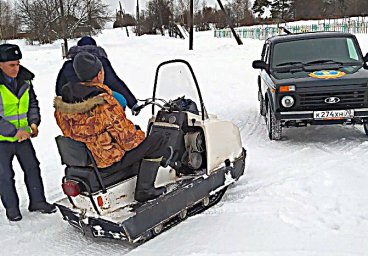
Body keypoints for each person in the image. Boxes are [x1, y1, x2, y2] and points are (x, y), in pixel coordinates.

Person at [54, 52, 171, 202]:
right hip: (107, 161)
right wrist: (141, 135)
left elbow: (86, 132)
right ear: (99, 74)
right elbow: (128, 141)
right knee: (157, 140)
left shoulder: (63, 106)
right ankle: (145, 190)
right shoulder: (104, 103)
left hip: (86, 159)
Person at [0, 44, 57, 221]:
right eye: (12, 65)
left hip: (23, 136)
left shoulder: (25, 80)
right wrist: (13, 132)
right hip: (2, 140)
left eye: (17, 64)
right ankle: (12, 209)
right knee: (5, 175)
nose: (16, 68)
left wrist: (33, 122)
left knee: (32, 168)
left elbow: (32, 103)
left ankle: (38, 201)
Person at [55, 36, 141, 115]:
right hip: (100, 107)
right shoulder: (101, 62)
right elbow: (115, 83)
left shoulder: (67, 65)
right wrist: (132, 103)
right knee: (120, 100)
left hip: (76, 110)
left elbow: (59, 90)